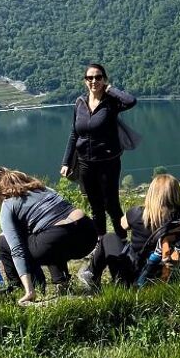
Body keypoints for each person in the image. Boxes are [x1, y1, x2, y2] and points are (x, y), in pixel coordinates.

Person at [79, 174, 180, 289]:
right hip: (170, 277)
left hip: (130, 279)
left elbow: (122, 225)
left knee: (109, 238)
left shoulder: (136, 213)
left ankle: (92, 276)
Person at [0, 167, 97, 304]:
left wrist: (29, 290)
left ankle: (20, 286)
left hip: (55, 238)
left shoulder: (8, 204)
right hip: (88, 234)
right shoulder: (43, 189)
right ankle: (62, 283)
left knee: (4, 241)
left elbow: (17, 249)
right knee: (48, 236)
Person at [61, 63, 137, 238]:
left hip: (108, 162)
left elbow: (131, 101)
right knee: (95, 205)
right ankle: (101, 242)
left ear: (104, 79)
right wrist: (66, 161)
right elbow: (74, 134)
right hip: (85, 163)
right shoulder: (79, 102)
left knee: (111, 204)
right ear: (85, 81)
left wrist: (109, 89)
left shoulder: (111, 103)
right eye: (90, 78)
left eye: (98, 77)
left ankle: (122, 240)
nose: (94, 81)